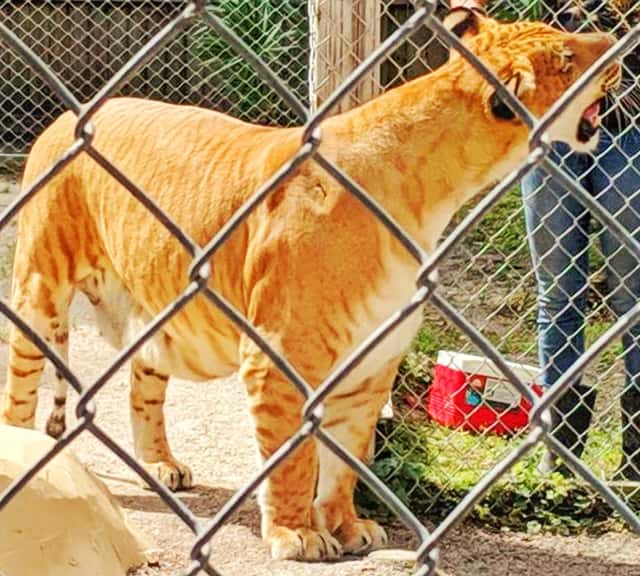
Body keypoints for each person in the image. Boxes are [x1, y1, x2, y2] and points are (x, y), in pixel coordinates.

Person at [449, 0, 640, 481]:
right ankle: (560, 456)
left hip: (631, 123)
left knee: (633, 294)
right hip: (552, 120)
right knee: (557, 291)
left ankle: (635, 460)